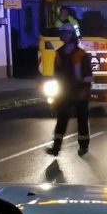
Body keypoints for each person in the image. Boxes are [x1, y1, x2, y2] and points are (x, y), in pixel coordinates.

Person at [46, 28, 92, 156]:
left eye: (67, 33)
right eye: (63, 33)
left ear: (72, 35)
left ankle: (83, 146)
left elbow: (88, 75)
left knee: (82, 120)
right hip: (65, 92)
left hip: (79, 90)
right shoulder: (59, 53)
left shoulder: (81, 54)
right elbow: (56, 74)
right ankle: (56, 148)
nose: (65, 36)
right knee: (62, 119)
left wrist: (84, 90)